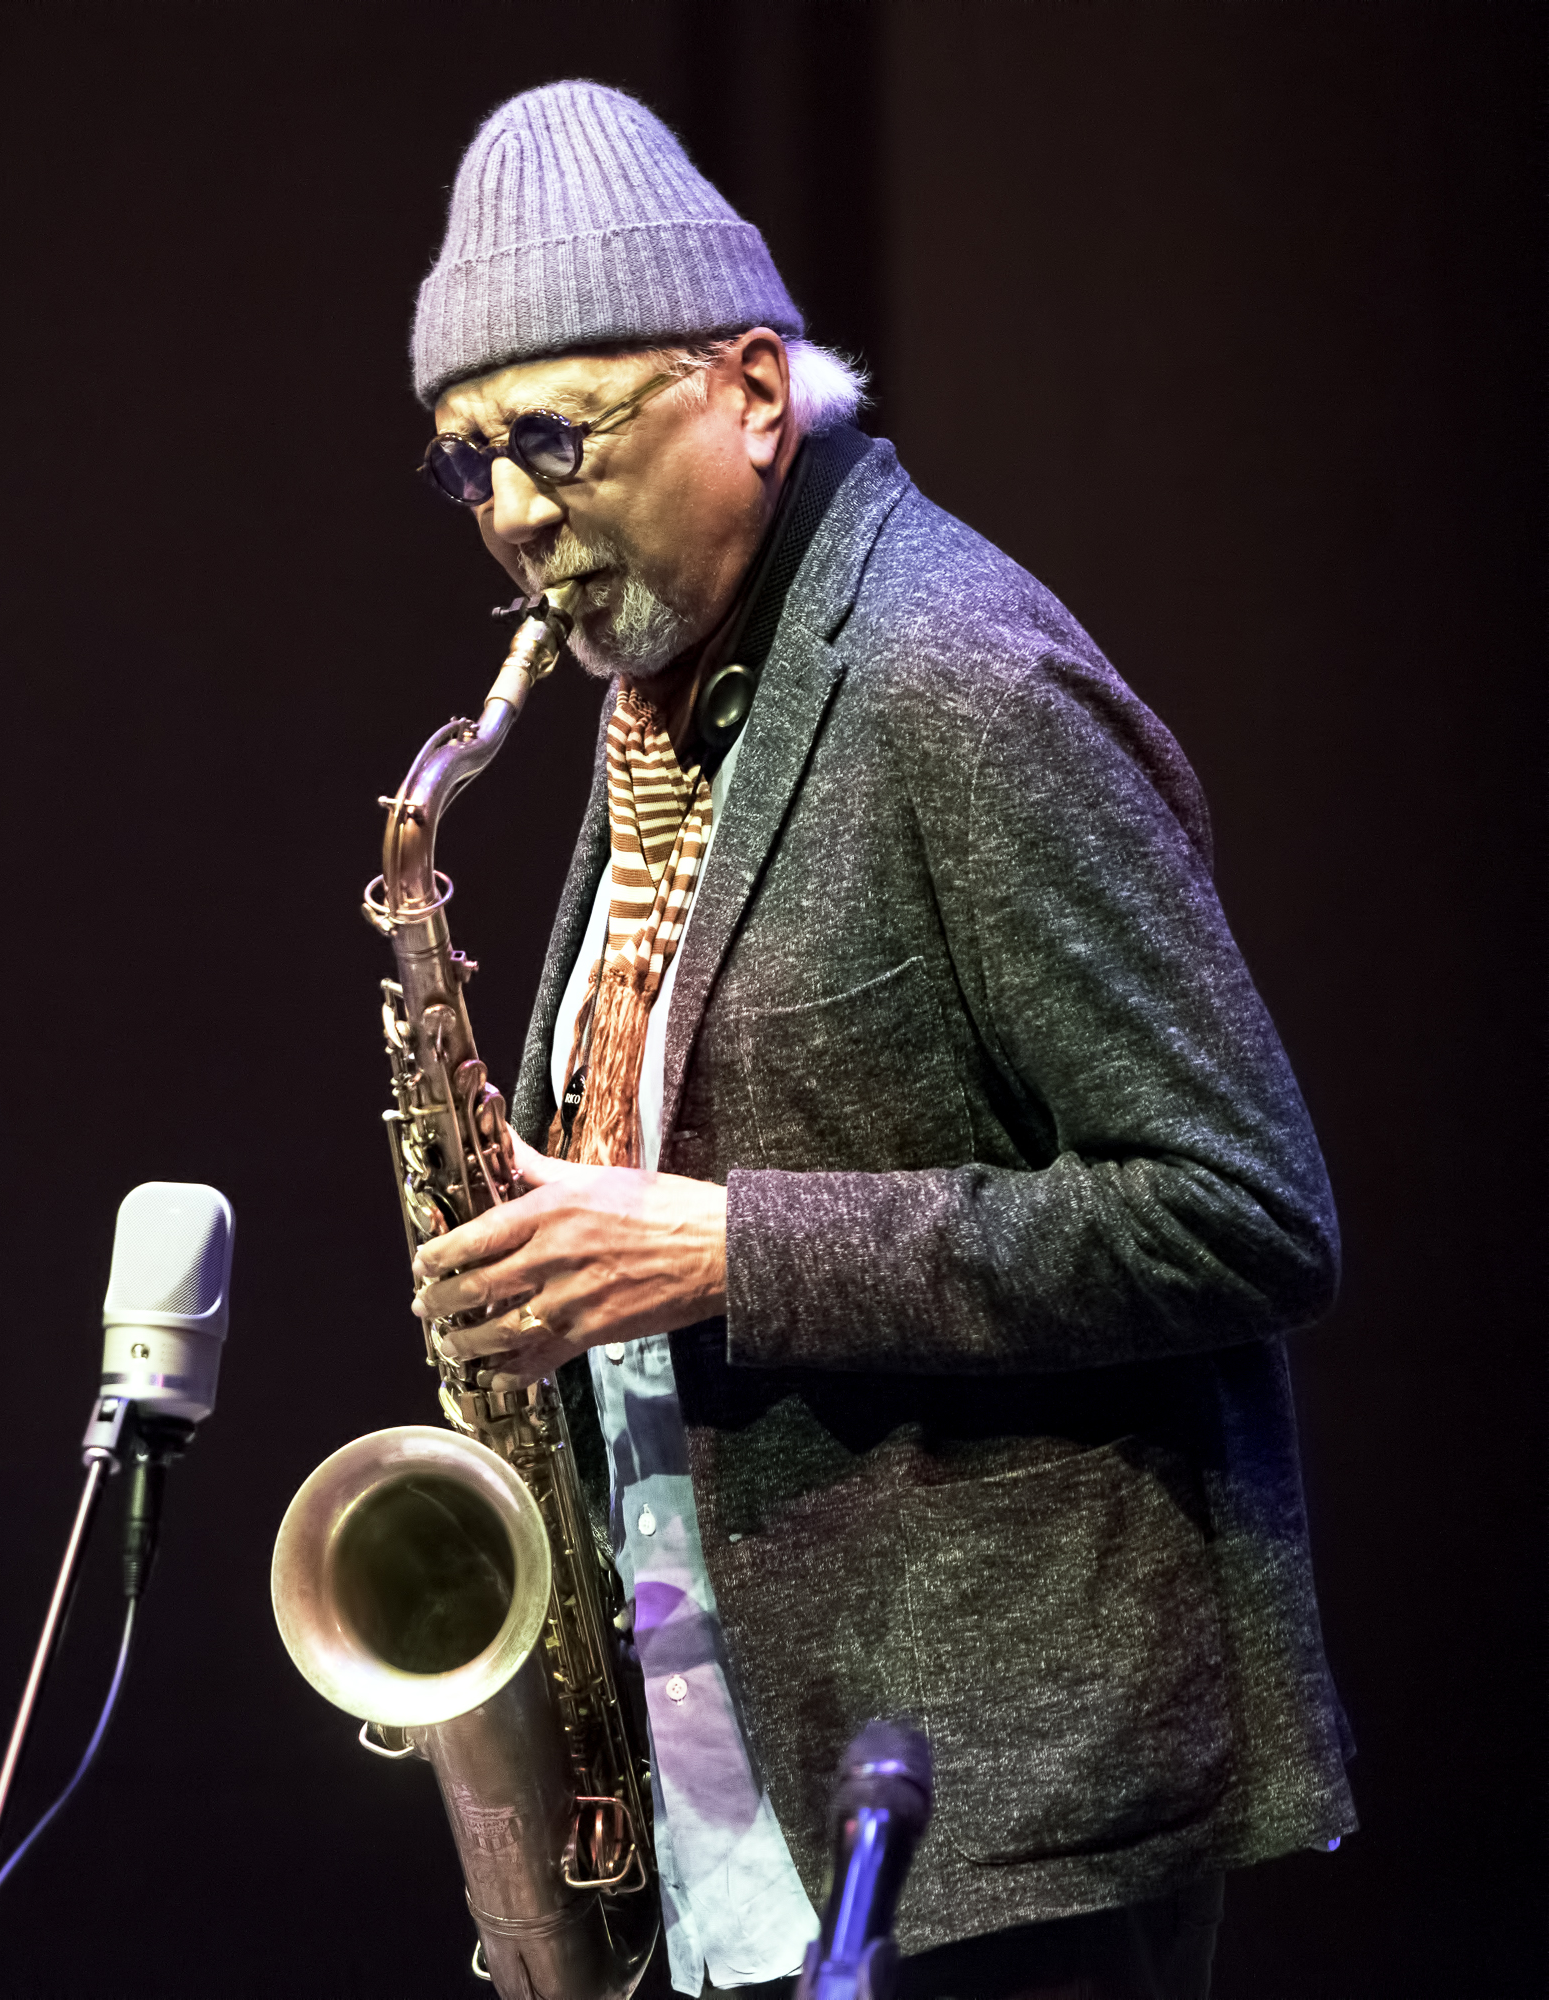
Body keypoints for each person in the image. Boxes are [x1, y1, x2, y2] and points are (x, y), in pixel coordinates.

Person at [405, 82, 1355, 2000]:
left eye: (552, 436)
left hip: (994, 1821)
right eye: (464, 461)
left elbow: (1246, 1213)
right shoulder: (665, 691)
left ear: (755, 392)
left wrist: (732, 1246)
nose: (510, 513)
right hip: (722, 1782)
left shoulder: (957, 676)